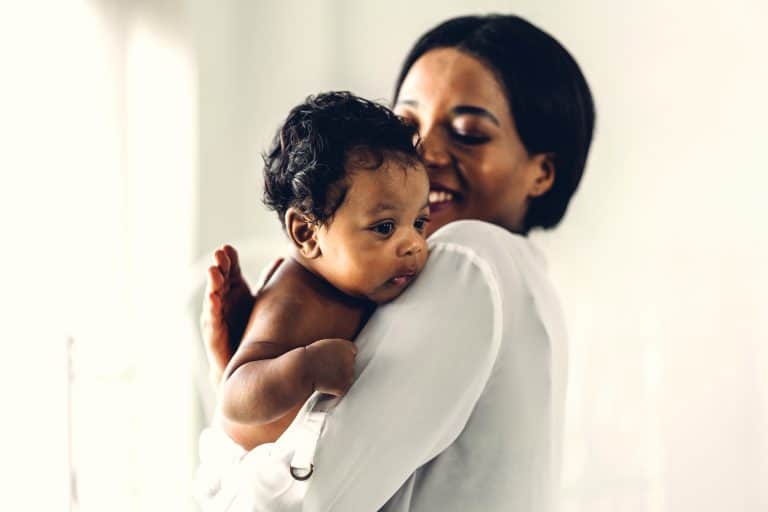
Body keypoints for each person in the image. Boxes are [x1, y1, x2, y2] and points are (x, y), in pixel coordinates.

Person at [200, 14, 595, 512]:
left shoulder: (468, 260)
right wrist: (251, 367)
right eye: (407, 127)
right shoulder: (519, 278)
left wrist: (230, 417)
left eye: (469, 133)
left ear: (542, 172)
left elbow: (292, 504)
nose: (426, 154)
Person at [215, 91, 431, 451]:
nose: (414, 244)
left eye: (420, 222)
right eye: (384, 227)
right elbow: (233, 397)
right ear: (307, 233)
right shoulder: (292, 298)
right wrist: (304, 369)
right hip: (256, 474)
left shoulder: (357, 282)